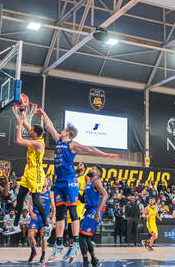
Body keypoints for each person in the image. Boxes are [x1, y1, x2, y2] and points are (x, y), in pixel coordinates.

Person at [37, 108, 118, 262]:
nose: (60, 130)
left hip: (69, 181)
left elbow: (89, 149)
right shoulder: (59, 141)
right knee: (60, 213)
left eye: (64, 129)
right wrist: (44, 114)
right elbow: (50, 126)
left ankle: (75, 243)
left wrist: (105, 155)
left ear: (68, 133)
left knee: (72, 211)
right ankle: (59, 244)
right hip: (59, 182)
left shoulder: (72, 145)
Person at [4, 111, 50, 238]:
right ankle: (16, 224)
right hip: (28, 170)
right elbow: (26, 125)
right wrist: (22, 112)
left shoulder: (38, 143)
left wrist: (19, 125)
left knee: (35, 200)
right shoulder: (35, 135)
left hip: (36, 172)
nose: (29, 131)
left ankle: (46, 224)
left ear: (35, 133)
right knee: (20, 197)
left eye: (31, 131)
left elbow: (19, 140)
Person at [79, 166, 108, 267]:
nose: (91, 169)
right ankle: (94, 260)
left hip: (94, 211)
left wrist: (98, 212)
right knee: (86, 238)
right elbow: (83, 200)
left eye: (94, 169)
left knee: (81, 237)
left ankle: (86, 261)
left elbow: (105, 194)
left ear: (97, 174)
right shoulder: (88, 184)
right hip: (89, 211)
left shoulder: (96, 181)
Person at [64, 162, 89, 260]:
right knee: (70, 230)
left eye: (81, 164)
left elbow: (88, 187)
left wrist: (81, 191)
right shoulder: (74, 177)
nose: (79, 165)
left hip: (80, 204)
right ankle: (72, 251)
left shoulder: (85, 177)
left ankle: (77, 250)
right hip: (71, 202)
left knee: (76, 229)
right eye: (78, 164)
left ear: (85, 168)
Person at [28, 178, 55, 263]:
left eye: (45, 180)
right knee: (30, 235)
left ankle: (43, 255)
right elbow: (30, 204)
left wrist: (53, 217)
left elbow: (54, 207)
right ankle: (33, 251)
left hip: (44, 218)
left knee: (43, 237)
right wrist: (31, 213)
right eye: (42, 180)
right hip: (35, 217)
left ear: (47, 183)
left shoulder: (50, 193)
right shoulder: (35, 192)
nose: (43, 181)